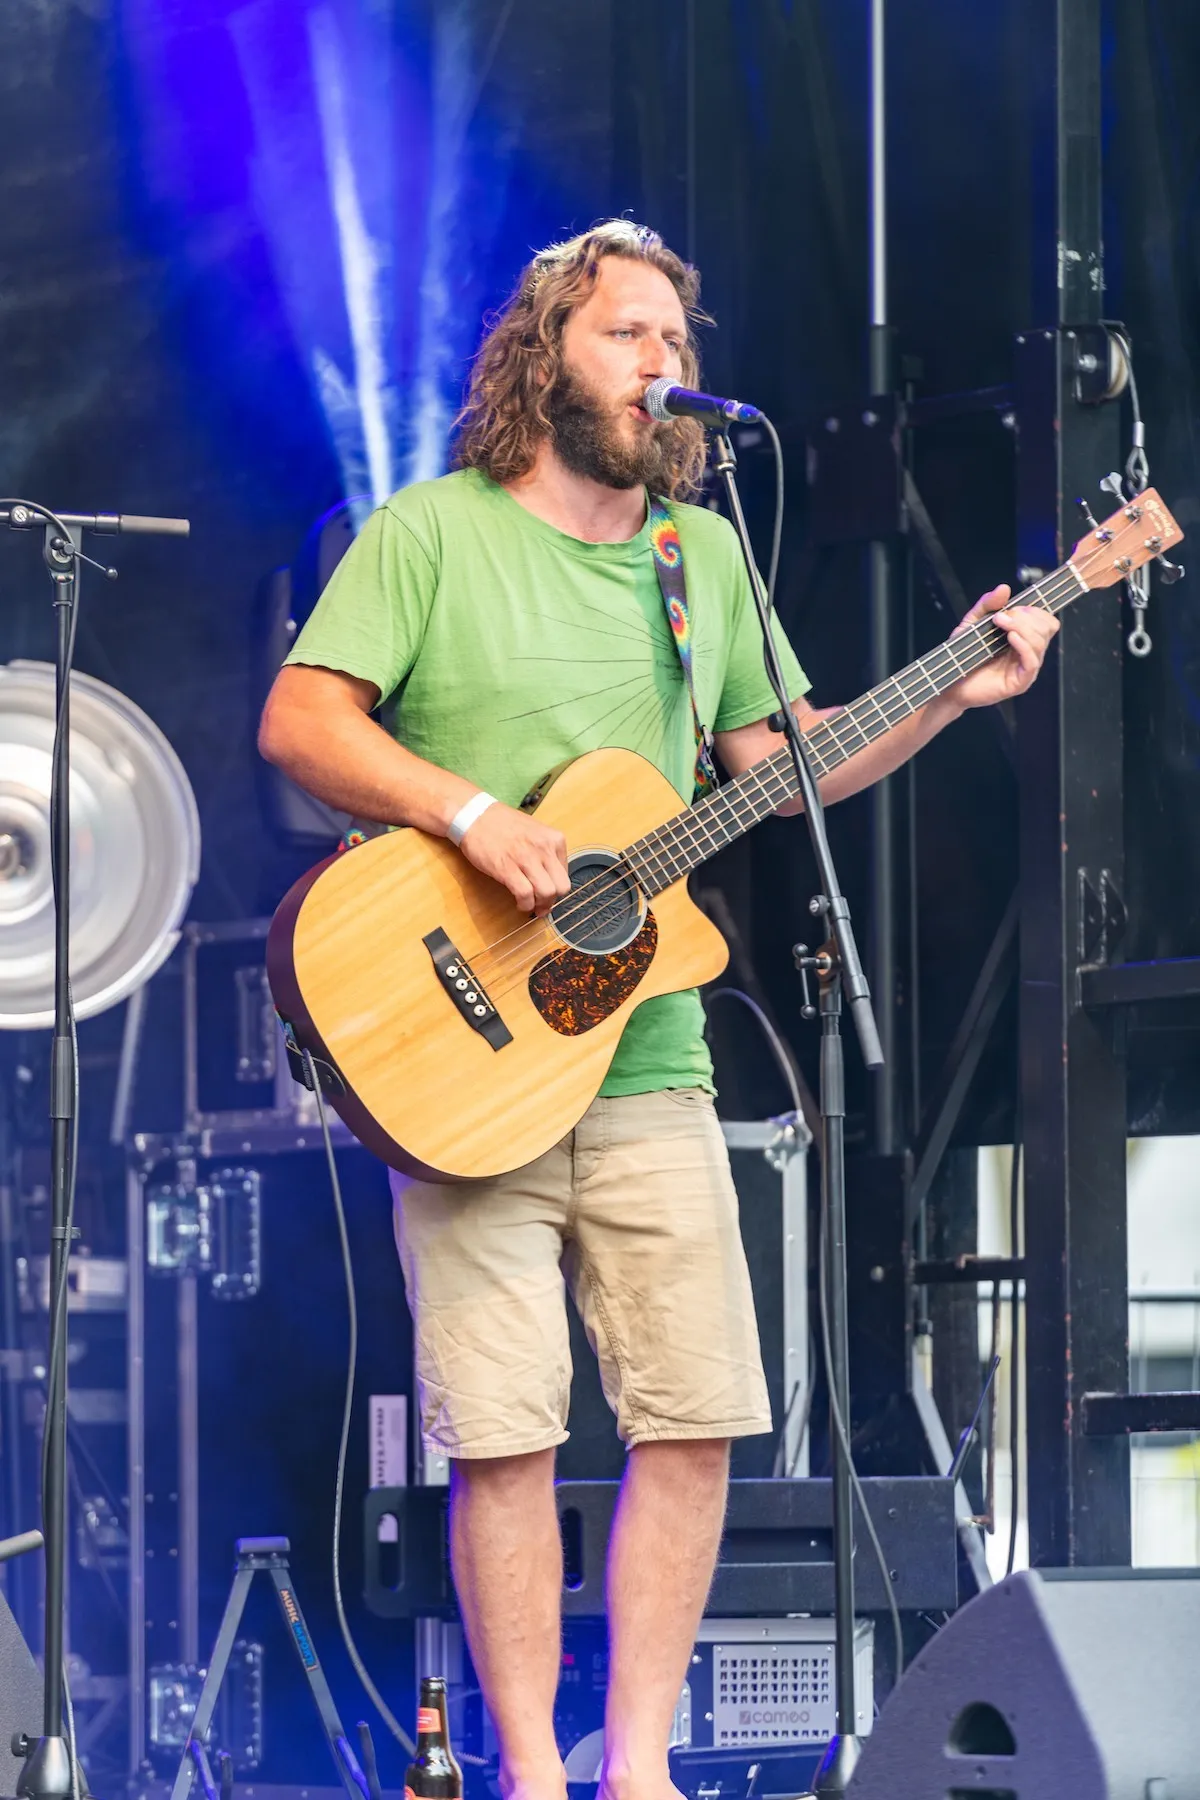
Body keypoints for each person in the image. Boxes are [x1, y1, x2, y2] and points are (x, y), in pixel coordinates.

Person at [258, 220, 1056, 1800]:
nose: (664, 372)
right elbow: (298, 717)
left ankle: (634, 1771)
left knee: (695, 1419)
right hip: (463, 1068)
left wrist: (957, 685)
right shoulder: (431, 534)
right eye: (629, 338)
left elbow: (790, 771)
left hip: (650, 1056)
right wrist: (474, 818)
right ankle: (529, 1780)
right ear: (544, 352)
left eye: (678, 347)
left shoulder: (702, 567)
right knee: (503, 1437)